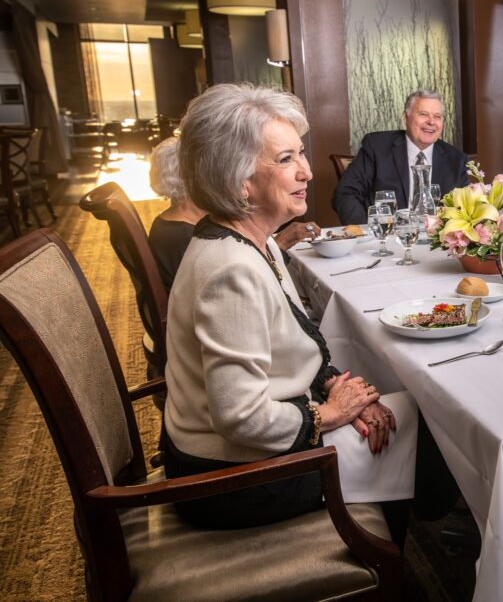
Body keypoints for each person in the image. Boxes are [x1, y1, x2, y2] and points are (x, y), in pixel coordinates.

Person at [164, 84, 418, 538]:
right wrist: (331, 414)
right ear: (238, 180)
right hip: (229, 480)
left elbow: (293, 346)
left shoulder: (253, 238)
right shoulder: (230, 270)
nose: (306, 172)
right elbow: (240, 417)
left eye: (301, 154)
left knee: (389, 404)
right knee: (418, 415)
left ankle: (393, 531)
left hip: (238, 449)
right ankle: (383, 556)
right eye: (285, 160)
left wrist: (336, 388)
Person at [149, 137, 320, 292]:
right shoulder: (181, 236)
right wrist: (280, 243)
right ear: (194, 177)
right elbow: (241, 282)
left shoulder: (175, 221)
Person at [332, 90, 469, 224]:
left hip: (435, 242)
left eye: (437, 116)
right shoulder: (377, 147)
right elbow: (345, 194)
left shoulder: (456, 159)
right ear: (405, 117)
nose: (431, 122)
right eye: (423, 114)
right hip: (387, 238)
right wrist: (368, 231)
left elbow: (464, 210)